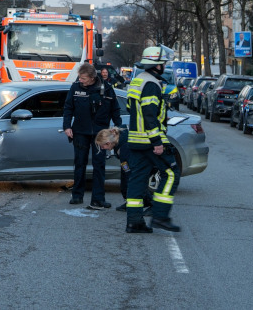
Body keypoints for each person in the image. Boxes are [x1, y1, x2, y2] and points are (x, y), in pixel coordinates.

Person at [124, 46, 181, 233]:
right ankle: (160, 216)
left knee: (137, 179)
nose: (165, 66)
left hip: (136, 139)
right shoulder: (151, 84)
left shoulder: (138, 80)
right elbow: (149, 114)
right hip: (149, 140)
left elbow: (131, 108)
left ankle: (134, 222)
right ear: (157, 65)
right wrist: (157, 141)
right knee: (171, 174)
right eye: (163, 63)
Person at [62, 62, 123, 210]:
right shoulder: (75, 87)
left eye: (83, 78)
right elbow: (68, 107)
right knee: (79, 164)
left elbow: (115, 109)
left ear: (92, 78)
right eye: (80, 77)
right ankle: (77, 195)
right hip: (80, 132)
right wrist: (67, 126)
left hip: (100, 134)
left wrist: (117, 128)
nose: (80, 80)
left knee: (99, 166)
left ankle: (98, 198)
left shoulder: (106, 88)